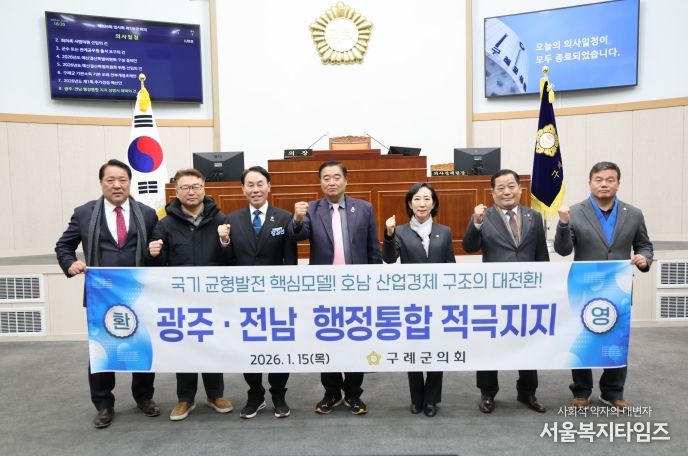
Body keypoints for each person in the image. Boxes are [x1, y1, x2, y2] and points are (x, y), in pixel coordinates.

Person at [55, 159, 161, 429]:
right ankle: (103, 404)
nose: (117, 185)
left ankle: (144, 397)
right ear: (101, 183)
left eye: (122, 180)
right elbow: (64, 246)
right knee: (101, 349)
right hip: (101, 295)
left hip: (138, 292)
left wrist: (155, 251)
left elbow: (156, 251)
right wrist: (70, 263)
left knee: (141, 345)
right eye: (110, 180)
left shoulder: (148, 214)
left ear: (130, 182)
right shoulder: (84, 213)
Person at [554, 161, 653, 409]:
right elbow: (563, 250)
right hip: (584, 287)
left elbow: (644, 245)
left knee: (617, 340)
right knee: (582, 339)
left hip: (619, 288)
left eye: (610, 179)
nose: (604, 184)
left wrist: (644, 259)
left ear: (618, 183)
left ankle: (612, 392)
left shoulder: (634, 214)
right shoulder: (574, 212)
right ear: (590, 183)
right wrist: (563, 224)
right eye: (599, 180)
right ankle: (581, 391)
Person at [288, 160, 382, 415]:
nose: (331, 182)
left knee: (356, 339)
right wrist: (296, 219)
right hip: (324, 289)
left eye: (336, 177)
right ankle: (331, 392)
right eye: (326, 178)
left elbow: (373, 248)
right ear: (320, 182)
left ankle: (353, 393)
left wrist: (375, 284)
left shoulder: (364, 208)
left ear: (346, 180)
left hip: (357, 289)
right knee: (326, 340)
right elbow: (297, 235)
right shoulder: (311, 209)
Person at [147, 168, 233, 421]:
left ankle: (215, 394)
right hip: (179, 299)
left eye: (196, 186)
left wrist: (225, 242)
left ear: (204, 189)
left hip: (213, 297)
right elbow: (158, 266)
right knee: (183, 348)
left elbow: (231, 260)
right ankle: (185, 398)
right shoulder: (165, 224)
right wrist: (153, 254)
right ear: (176, 192)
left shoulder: (220, 220)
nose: (191, 192)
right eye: (185, 187)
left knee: (212, 345)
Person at [462, 169, 548, 414]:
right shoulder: (483, 216)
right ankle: (487, 392)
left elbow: (541, 255)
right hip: (494, 294)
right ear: (492, 193)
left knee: (528, 342)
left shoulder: (534, 217)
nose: (507, 191)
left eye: (511, 186)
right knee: (490, 343)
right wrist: (476, 222)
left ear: (520, 189)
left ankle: (527, 391)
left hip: (527, 293)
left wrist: (544, 287)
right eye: (500, 188)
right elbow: (469, 246)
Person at [219, 166, 297, 419]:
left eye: (260, 184)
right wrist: (224, 242)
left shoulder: (284, 218)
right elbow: (227, 261)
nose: (255, 189)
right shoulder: (230, 220)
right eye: (250, 185)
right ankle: (255, 394)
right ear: (243, 189)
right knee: (248, 348)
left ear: (269, 186)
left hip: (277, 298)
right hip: (244, 299)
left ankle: (278, 394)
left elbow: (290, 259)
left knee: (278, 348)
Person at [382, 182, 455, 417]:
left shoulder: (444, 231)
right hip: (411, 303)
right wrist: (389, 234)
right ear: (409, 204)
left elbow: (451, 266)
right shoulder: (400, 231)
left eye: (426, 199)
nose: (422, 203)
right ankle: (417, 398)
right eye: (417, 199)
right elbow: (389, 259)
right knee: (413, 351)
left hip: (438, 302)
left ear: (433, 204)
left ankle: (431, 399)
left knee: (436, 351)